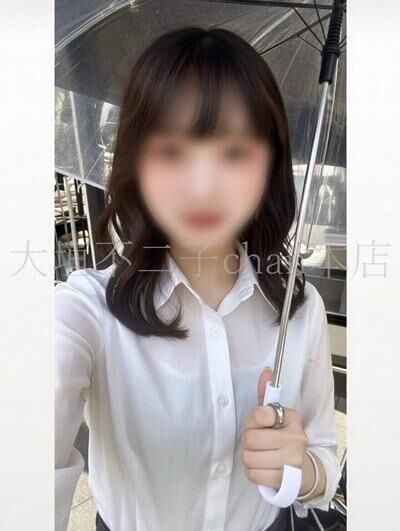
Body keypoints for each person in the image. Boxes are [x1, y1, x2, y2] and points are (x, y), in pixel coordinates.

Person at [55, 27, 341, 531]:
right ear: (137, 161)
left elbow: (322, 461)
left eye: (234, 153)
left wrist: (302, 471)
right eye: (172, 151)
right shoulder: (86, 310)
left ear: (270, 164)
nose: (203, 186)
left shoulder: (300, 309)